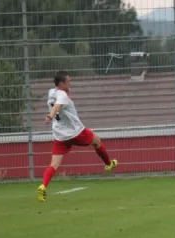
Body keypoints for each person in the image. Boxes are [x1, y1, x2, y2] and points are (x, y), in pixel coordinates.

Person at [37, 71, 118, 202]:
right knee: (97, 141)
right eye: (68, 81)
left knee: (54, 165)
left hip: (59, 135)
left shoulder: (52, 92)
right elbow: (57, 106)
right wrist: (50, 116)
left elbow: (56, 102)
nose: (70, 83)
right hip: (75, 131)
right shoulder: (62, 95)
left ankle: (43, 186)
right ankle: (108, 164)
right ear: (61, 83)